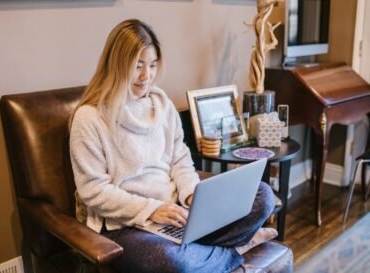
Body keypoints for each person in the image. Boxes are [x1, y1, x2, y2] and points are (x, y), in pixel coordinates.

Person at [69, 19, 275, 273]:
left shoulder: (162, 105)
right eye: (138, 66)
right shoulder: (89, 118)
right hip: (125, 225)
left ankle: (203, 250)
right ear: (117, 64)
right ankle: (237, 248)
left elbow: (180, 160)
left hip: (177, 211)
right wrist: (153, 209)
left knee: (262, 195)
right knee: (171, 262)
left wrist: (191, 194)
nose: (147, 76)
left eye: (153, 65)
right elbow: (93, 190)